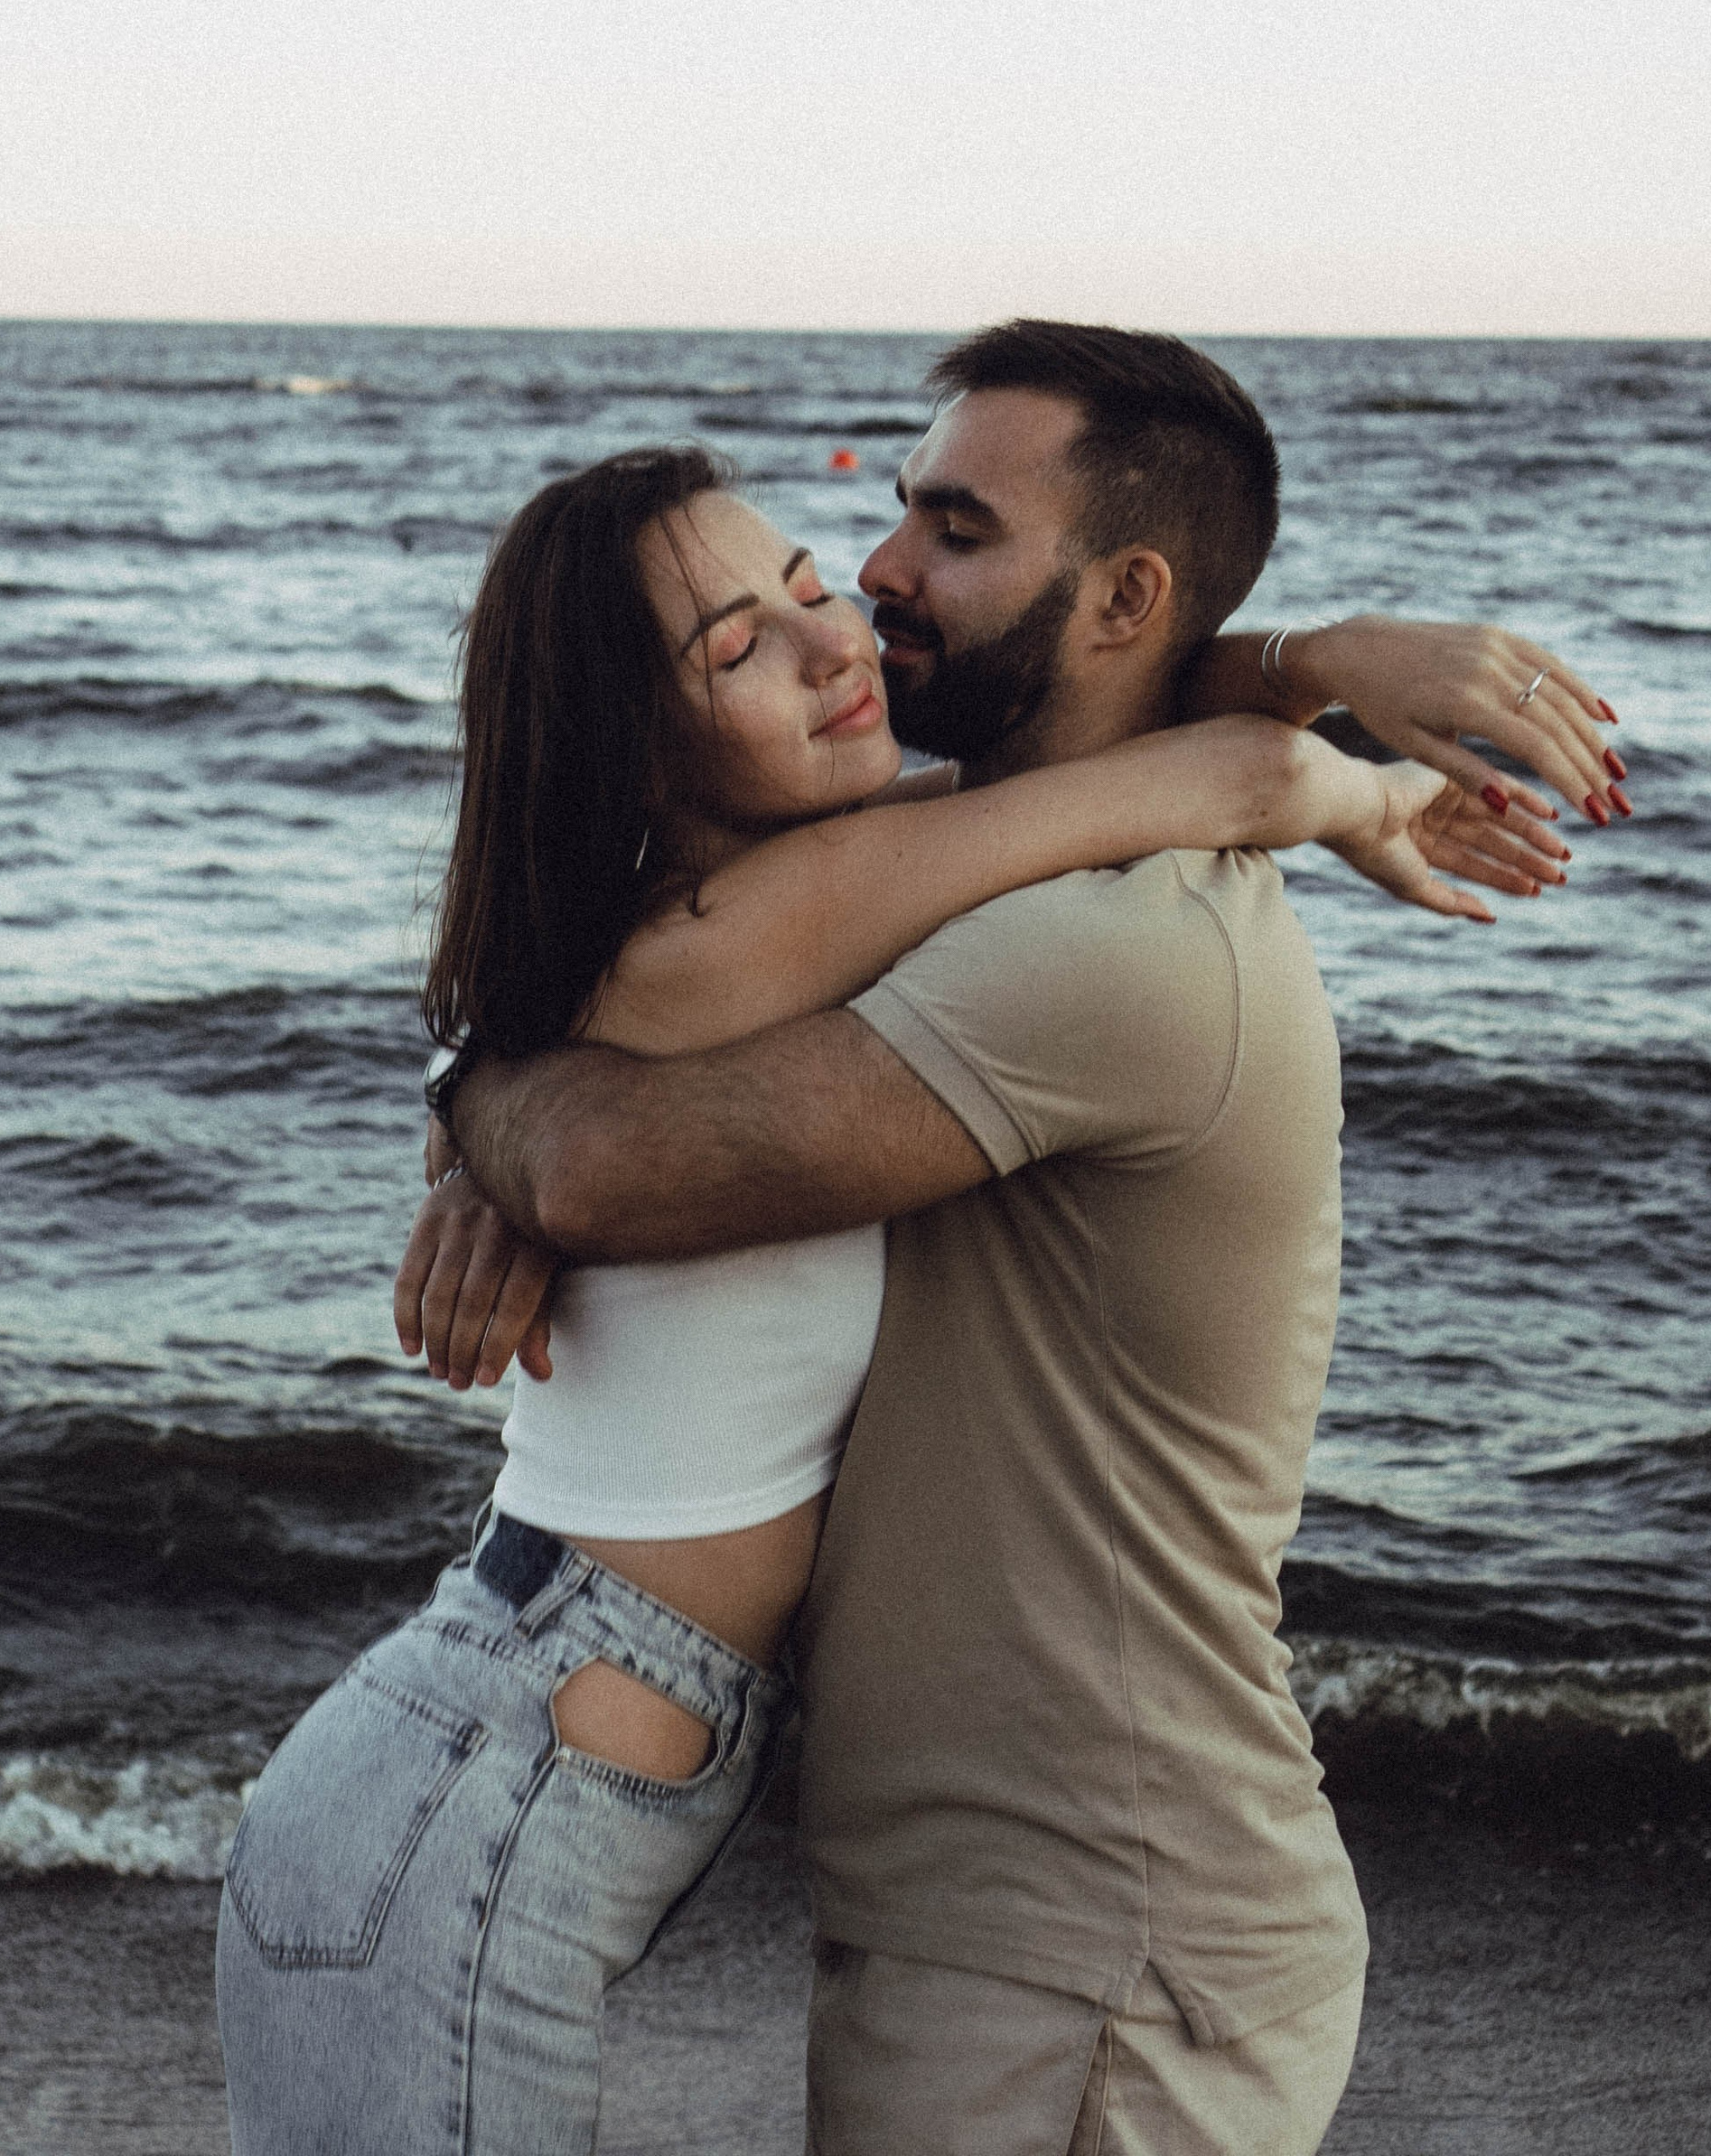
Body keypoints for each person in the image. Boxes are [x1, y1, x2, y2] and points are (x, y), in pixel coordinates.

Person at [216, 407, 1575, 2156]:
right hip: (478, 1775)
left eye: (804, 581)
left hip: (509, 1751)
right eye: (735, 645)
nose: (833, 635)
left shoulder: (798, 905)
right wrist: (1354, 776)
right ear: (634, 747)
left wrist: (1307, 661)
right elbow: (1212, 777)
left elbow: (1066, 713)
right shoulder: (761, 925)